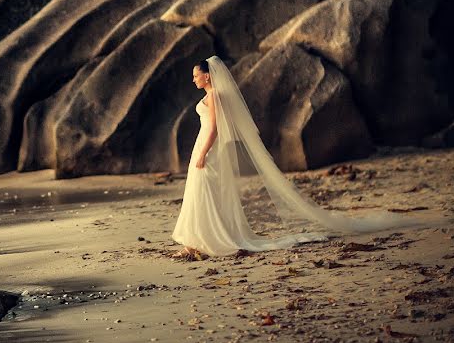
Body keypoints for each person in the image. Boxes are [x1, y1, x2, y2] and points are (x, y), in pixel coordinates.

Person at [170, 55, 431, 260]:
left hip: (208, 147)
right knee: (201, 192)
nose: (194, 79)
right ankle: (194, 243)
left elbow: (215, 129)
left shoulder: (215, 96)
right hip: (204, 146)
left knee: (204, 191)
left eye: (196, 75)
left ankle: (201, 242)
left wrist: (203, 152)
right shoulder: (211, 95)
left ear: (207, 75)